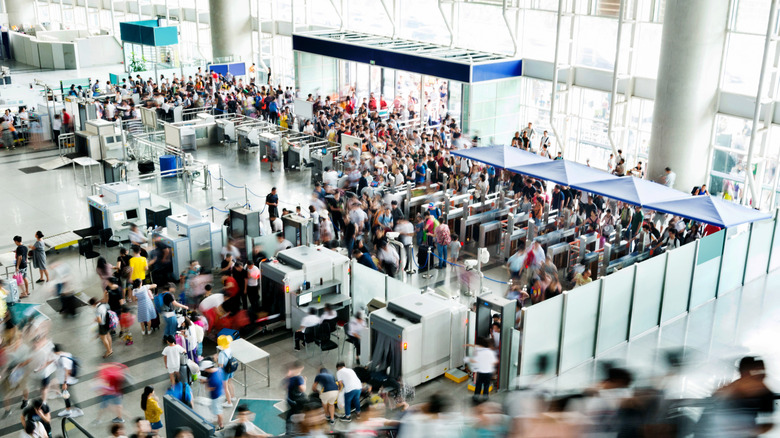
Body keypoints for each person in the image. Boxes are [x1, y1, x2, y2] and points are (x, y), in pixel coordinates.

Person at [54, 344, 84, 418]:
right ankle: (68, 410)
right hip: (65, 380)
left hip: (68, 381)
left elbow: (67, 370)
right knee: (66, 395)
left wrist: (65, 383)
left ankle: (79, 410)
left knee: (69, 396)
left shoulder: (63, 358)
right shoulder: (66, 354)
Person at [466, 337, 497, 402]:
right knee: (486, 386)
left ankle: (476, 397)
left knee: (478, 385)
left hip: (481, 372)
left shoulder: (480, 352)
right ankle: (485, 398)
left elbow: (475, 361)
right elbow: (494, 362)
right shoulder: (490, 352)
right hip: (488, 373)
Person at [200, 360, 225, 430]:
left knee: (218, 411)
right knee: (218, 409)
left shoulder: (213, 379)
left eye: (205, 369)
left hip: (216, 397)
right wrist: (206, 381)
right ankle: (219, 421)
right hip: (221, 393)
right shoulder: (219, 370)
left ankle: (221, 425)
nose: (205, 371)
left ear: (207, 368)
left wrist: (205, 382)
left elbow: (209, 388)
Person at [216, 335, 236, 408]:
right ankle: (233, 396)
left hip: (225, 371)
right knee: (230, 383)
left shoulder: (221, 354)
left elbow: (221, 365)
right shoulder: (229, 349)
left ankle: (229, 402)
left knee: (225, 387)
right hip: (231, 369)